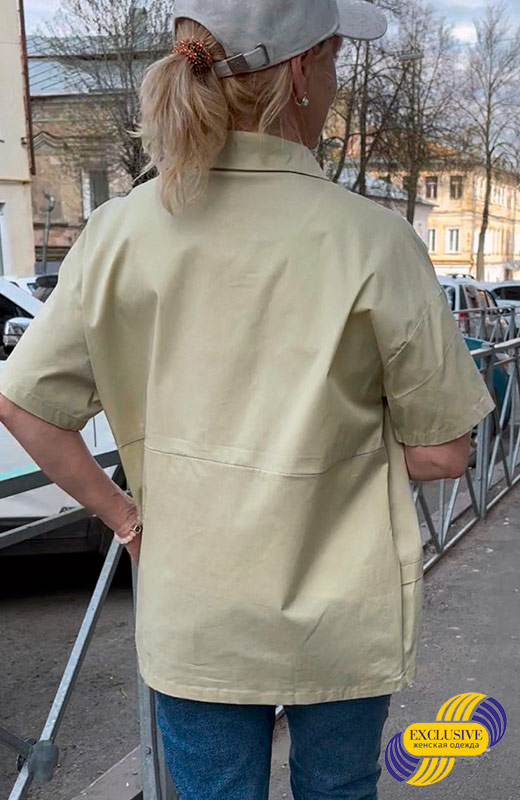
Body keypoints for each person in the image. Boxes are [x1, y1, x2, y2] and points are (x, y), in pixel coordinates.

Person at [0, 0, 495, 798]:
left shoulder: (119, 233)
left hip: (195, 611)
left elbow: (24, 406)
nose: (334, 85)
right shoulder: (374, 241)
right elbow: (442, 452)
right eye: (332, 62)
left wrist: (126, 520)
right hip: (341, 612)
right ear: (299, 73)